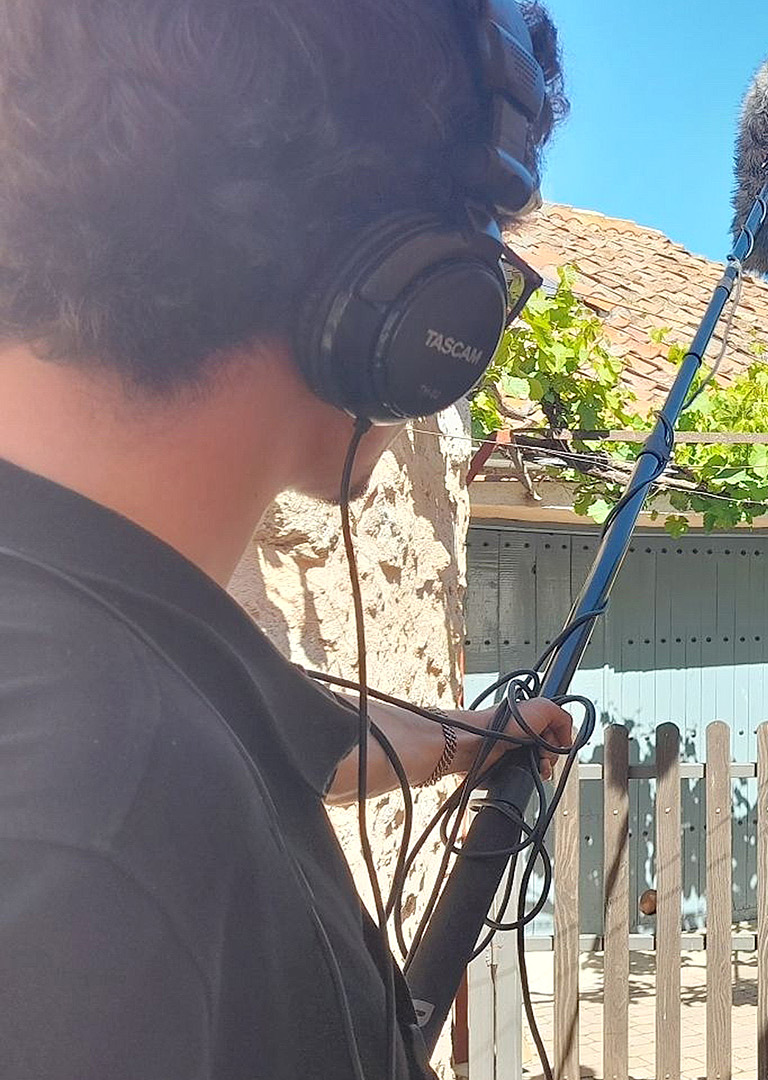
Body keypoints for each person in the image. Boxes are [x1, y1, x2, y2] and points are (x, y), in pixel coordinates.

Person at [0, 3, 572, 1077]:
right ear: (404, 288)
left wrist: (478, 741)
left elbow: (302, 736)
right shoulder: (93, 816)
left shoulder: (109, 637)